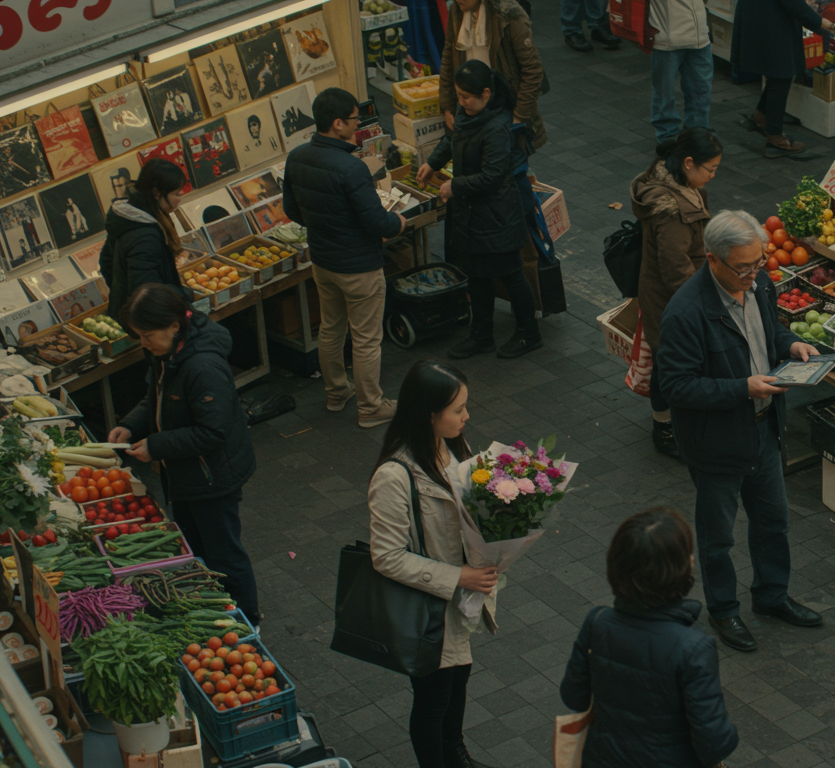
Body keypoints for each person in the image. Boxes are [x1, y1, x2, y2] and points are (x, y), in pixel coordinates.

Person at [654, 210, 821, 652]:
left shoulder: (759, 285)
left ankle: (771, 596)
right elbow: (675, 386)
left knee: (773, 522)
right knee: (718, 537)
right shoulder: (686, 313)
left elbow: (770, 331)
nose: (755, 275)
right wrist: (741, 388)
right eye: (743, 267)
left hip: (766, 431)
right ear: (712, 260)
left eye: (758, 263)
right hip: (717, 445)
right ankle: (724, 611)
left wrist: (790, 344)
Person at [368, 360, 501, 768]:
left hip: (458, 600)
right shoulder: (394, 476)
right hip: (429, 606)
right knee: (433, 697)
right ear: (429, 414)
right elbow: (386, 556)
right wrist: (458, 575)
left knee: (457, 678)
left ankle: (455, 753)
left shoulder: (452, 447)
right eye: (457, 410)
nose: (466, 416)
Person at [110, 284, 259, 622]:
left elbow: (213, 431)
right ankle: (214, 608)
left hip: (211, 475)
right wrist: (132, 425)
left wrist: (156, 445)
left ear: (174, 325)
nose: (143, 343)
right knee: (195, 545)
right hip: (186, 472)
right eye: (139, 336)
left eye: (147, 335)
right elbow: (157, 396)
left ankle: (247, 618)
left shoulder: (203, 366)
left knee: (224, 553)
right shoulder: (168, 353)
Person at [559, 507, 738, 768]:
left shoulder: (597, 622)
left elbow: (573, 696)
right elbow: (714, 743)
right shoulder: (693, 647)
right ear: (683, 567)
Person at [283, 87, 405, 428]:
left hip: (323, 261)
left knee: (331, 329)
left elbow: (291, 208)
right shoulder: (351, 169)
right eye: (354, 119)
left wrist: (325, 226)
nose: (357, 124)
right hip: (360, 267)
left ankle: (336, 392)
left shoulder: (297, 157)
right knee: (367, 339)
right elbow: (377, 222)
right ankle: (371, 407)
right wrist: (399, 221)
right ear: (337, 123)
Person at [419, 61, 539, 360]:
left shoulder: (497, 127)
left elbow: (493, 175)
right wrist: (433, 162)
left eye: (467, 97)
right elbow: (453, 139)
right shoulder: (466, 114)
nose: (461, 102)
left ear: (486, 94)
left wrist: (455, 186)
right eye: (458, 95)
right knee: (476, 274)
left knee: (511, 274)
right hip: (471, 215)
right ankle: (481, 334)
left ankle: (528, 333)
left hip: (496, 216)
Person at [631, 128, 720, 458]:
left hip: (669, 289)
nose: (712, 176)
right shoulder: (672, 211)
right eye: (709, 169)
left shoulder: (675, 182)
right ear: (687, 163)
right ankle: (664, 428)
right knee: (668, 362)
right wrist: (704, 300)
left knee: (669, 357)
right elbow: (675, 268)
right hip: (670, 297)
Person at [437, 0, 548, 152]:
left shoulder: (509, 16)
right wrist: (447, 106)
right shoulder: (457, 11)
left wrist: (517, 118)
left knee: (512, 167)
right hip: (472, 111)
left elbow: (533, 71)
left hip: (504, 111)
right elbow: (448, 59)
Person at [731, 0, 835, 157]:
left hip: (762, 13)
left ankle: (762, 116)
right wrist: (818, 21)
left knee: (778, 71)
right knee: (781, 72)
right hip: (770, 18)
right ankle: (775, 138)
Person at [98, 158, 194, 322]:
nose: (180, 199)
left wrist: (119, 291)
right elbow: (147, 291)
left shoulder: (130, 217)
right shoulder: (145, 235)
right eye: (176, 194)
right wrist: (183, 293)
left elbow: (106, 262)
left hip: (128, 314)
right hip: (145, 323)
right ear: (156, 193)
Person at [647, 0, 712, 144]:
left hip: (700, 36)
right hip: (666, 38)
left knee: (701, 88)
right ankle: (667, 136)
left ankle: (698, 132)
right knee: (664, 92)